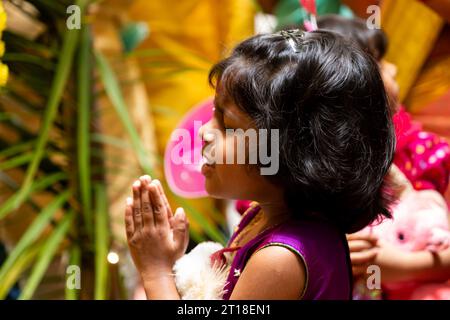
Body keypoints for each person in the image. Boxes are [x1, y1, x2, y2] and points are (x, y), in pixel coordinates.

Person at [123, 29, 395, 299]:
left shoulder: (280, 259)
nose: (204, 132)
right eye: (213, 114)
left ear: (288, 151)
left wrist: (155, 270)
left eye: (228, 126)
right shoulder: (260, 215)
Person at [315, 14, 450, 299]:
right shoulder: (311, 173)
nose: (394, 67)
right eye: (379, 60)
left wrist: (407, 266)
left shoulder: (430, 157)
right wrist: (327, 252)